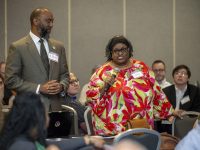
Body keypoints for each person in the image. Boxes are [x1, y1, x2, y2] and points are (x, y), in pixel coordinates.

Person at [86, 35, 176, 136]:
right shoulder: (102, 72)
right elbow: (91, 99)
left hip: (142, 126)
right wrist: (106, 87)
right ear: (111, 53)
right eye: (116, 51)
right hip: (114, 130)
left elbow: (156, 91)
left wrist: (169, 112)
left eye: (123, 49)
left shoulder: (141, 67)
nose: (120, 53)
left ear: (129, 50)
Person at [5, 7, 69, 111]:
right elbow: (11, 80)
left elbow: (65, 75)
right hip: (30, 110)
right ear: (35, 21)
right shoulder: (18, 47)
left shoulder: (58, 47)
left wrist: (61, 86)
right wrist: (39, 88)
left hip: (55, 109)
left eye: (52, 21)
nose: (51, 25)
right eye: (48, 21)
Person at [0, 92, 105, 150]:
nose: (48, 118)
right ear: (37, 117)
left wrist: (87, 140)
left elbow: (56, 144)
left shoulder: (29, 138)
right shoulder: (22, 146)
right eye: (45, 113)